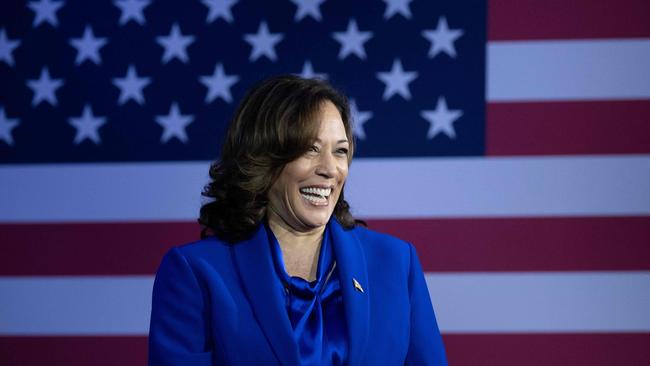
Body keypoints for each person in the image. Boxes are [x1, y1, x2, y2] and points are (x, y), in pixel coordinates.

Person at [148, 75, 448, 366]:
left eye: (340, 151)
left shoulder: (395, 262)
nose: (330, 169)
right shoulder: (196, 272)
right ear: (263, 158)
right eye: (310, 149)